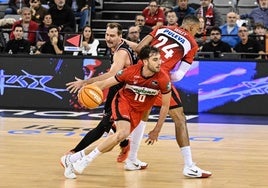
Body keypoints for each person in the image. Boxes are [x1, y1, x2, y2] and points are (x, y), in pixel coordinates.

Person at [61, 45, 172, 179]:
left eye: (160, 59)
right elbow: (105, 83)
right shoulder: (130, 71)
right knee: (122, 133)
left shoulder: (163, 79)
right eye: (155, 59)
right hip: (123, 102)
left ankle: (71, 159)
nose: (159, 62)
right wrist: (86, 89)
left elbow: (165, 106)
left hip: (138, 111)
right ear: (145, 61)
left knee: (110, 144)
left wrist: (157, 130)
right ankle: (84, 162)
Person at [124, 15, 212, 177]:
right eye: (198, 30)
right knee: (180, 119)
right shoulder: (192, 43)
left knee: (144, 113)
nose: (197, 33)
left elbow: (139, 49)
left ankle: (131, 159)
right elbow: (178, 75)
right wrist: (162, 76)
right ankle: (189, 166)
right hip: (159, 77)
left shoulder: (160, 28)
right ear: (191, 28)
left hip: (140, 73)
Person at [61, 22, 139, 178]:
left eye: (112, 36)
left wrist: (86, 82)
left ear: (120, 36)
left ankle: (74, 153)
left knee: (103, 126)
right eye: (107, 35)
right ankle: (125, 144)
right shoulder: (120, 45)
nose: (108, 38)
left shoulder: (120, 53)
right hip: (116, 89)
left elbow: (112, 75)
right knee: (108, 124)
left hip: (124, 92)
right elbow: (137, 47)